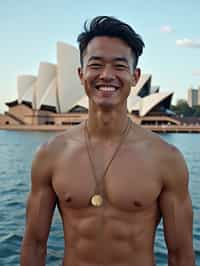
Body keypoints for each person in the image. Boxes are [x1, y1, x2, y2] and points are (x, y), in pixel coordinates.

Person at [20, 16, 195, 266]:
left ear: (135, 77)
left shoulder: (166, 158)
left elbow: (180, 254)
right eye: (96, 64)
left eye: (119, 66)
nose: (107, 75)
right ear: (81, 74)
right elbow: (35, 244)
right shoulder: (51, 154)